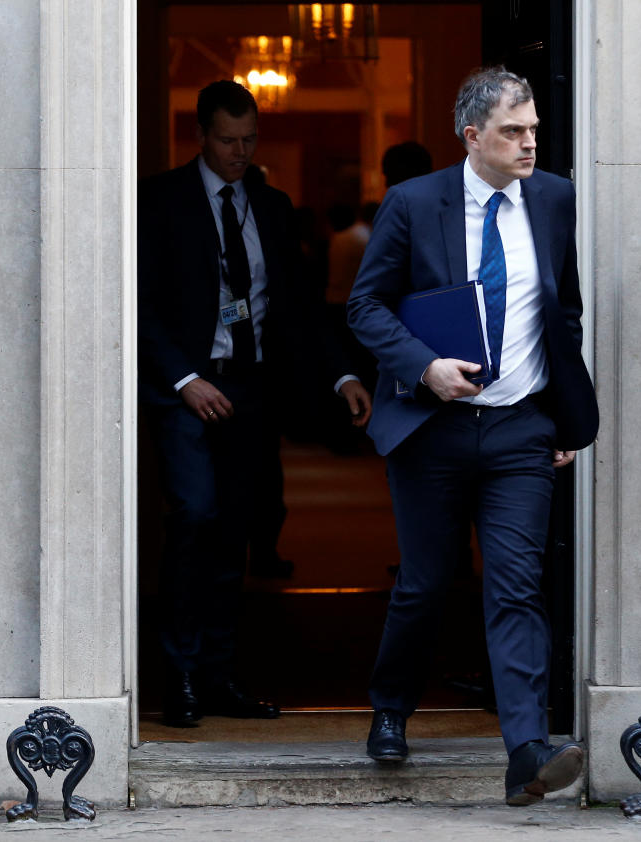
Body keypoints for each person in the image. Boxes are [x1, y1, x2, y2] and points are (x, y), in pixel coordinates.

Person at [346, 68, 599, 805]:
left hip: (520, 429)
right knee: (424, 585)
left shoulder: (553, 198)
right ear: (471, 137)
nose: (528, 144)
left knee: (516, 587)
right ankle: (390, 709)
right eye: (512, 132)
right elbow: (365, 308)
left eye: (532, 131)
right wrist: (423, 368)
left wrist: (559, 413)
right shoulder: (414, 203)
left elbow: (565, 312)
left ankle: (526, 751)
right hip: (432, 431)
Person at [139, 80, 372, 727]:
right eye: (227, 140)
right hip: (186, 390)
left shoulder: (270, 206)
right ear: (201, 137)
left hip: (250, 389)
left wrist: (341, 376)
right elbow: (142, 305)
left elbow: (296, 306)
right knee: (193, 515)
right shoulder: (159, 201)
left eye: (249, 141)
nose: (239, 152)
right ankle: (179, 677)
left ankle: (219, 676)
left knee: (235, 532)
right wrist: (184, 378)